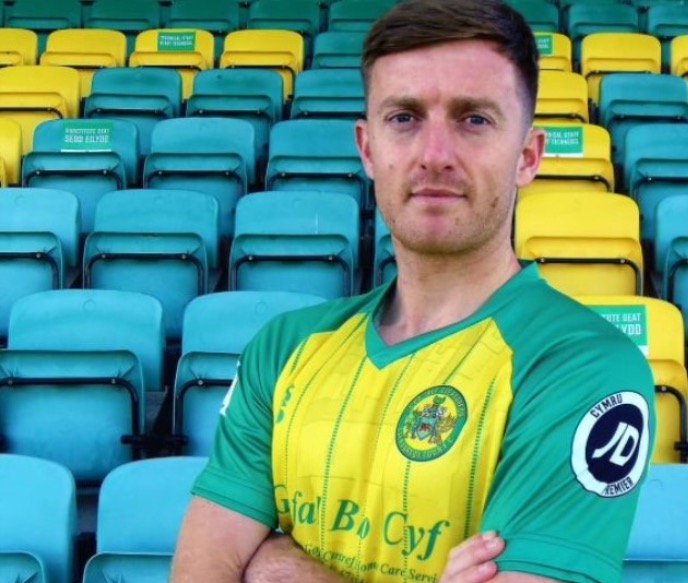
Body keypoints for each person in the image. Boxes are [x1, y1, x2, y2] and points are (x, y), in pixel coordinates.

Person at [170, 0, 655, 581]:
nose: (435, 156)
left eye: (474, 120)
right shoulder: (284, 348)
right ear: (368, 148)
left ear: (527, 156)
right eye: (404, 118)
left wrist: (277, 569)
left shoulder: (582, 367)